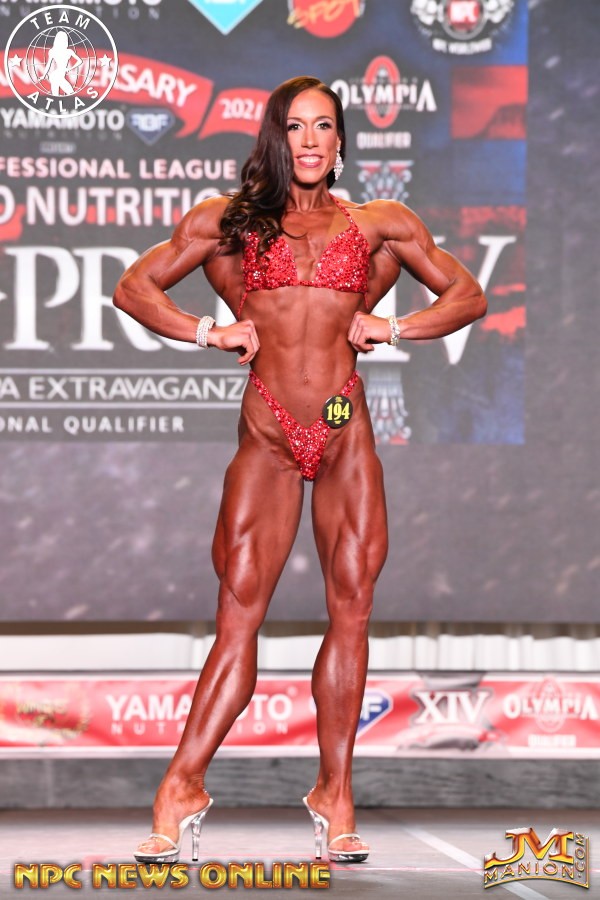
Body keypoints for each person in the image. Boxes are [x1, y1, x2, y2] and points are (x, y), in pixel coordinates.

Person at [113, 75, 486, 865]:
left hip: (345, 432)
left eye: (323, 126)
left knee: (352, 610)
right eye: (295, 127)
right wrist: (206, 331)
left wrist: (398, 327)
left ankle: (334, 793)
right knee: (238, 615)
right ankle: (181, 787)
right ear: (274, 139)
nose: (309, 140)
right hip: (269, 434)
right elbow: (133, 287)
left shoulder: (381, 225)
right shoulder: (229, 222)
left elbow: (469, 295)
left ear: (341, 140)